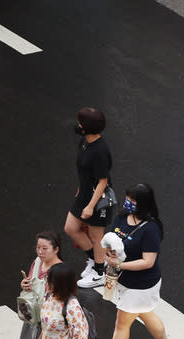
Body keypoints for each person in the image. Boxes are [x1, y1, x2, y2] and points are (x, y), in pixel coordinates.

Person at [89, 183, 177, 339]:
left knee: (122, 323)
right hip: (124, 279)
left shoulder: (151, 229)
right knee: (145, 313)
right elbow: (112, 239)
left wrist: (120, 265)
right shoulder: (121, 217)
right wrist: (110, 254)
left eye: (133, 200)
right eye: (128, 198)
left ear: (143, 204)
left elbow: (148, 262)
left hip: (142, 284)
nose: (128, 203)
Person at [65, 107, 113, 289]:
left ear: (88, 127)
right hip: (85, 195)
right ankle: (96, 261)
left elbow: (103, 181)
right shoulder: (84, 142)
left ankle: (100, 273)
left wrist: (91, 206)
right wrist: (80, 190)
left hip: (98, 201)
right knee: (71, 228)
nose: (78, 126)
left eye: (81, 123)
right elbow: (84, 172)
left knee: (96, 237)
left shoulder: (100, 151)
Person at [17, 231, 63, 339]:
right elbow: (31, 281)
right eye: (38, 248)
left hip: (49, 324)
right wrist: (25, 284)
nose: (40, 252)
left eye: (45, 248)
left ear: (56, 249)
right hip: (36, 317)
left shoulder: (59, 272)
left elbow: (57, 309)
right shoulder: (37, 262)